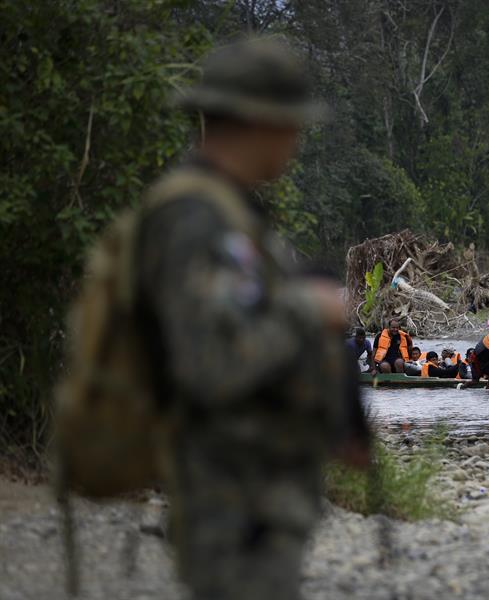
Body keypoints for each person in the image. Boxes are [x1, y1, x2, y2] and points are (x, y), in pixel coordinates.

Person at [135, 37, 365, 600]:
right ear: (258, 123)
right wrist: (306, 309)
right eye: (290, 124)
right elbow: (208, 365)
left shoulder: (230, 211)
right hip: (230, 504)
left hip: (254, 498)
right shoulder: (195, 220)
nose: (295, 140)